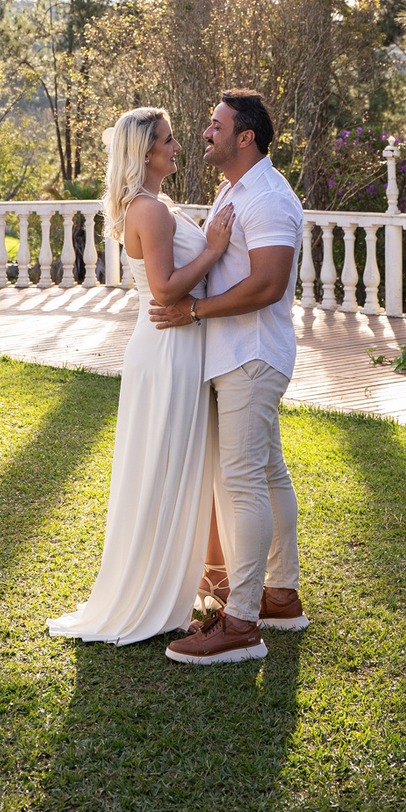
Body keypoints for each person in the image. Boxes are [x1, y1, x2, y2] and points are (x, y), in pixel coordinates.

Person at [46, 107, 236, 646]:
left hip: (177, 346)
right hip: (167, 349)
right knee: (163, 466)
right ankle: (161, 593)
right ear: (145, 152)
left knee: (179, 464)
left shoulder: (157, 205)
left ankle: (194, 582)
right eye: (169, 140)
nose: (177, 147)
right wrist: (215, 249)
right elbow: (167, 288)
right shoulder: (148, 210)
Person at [155, 90, 308, 666]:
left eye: (216, 126)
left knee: (242, 481)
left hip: (252, 357)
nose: (205, 133)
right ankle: (281, 597)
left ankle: (242, 623)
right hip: (237, 355)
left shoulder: (268, 197)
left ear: (246, 137)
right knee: (267, 473)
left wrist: (194, 310)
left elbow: (268, 283)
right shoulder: (234, 189)